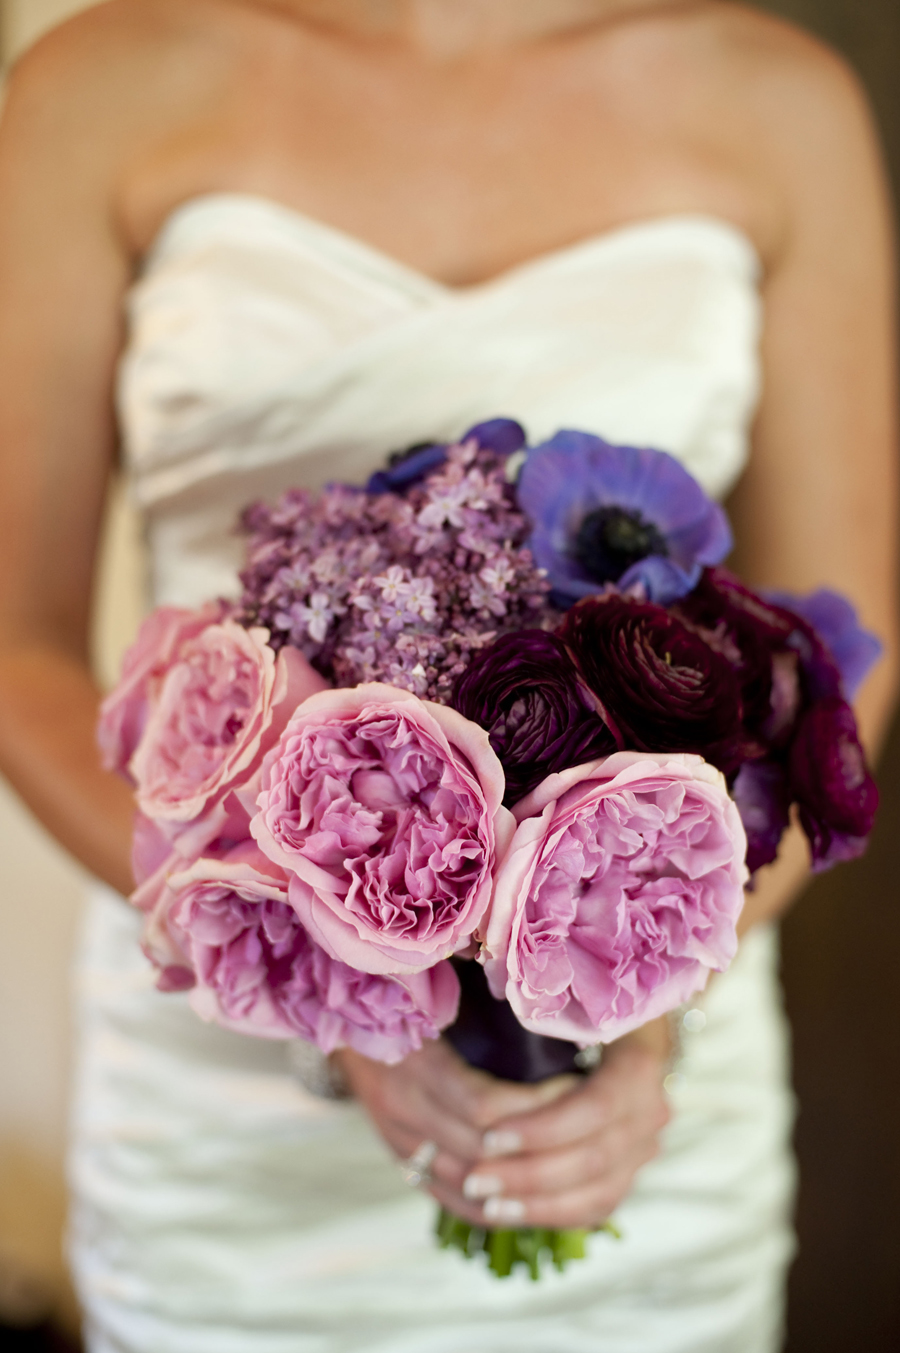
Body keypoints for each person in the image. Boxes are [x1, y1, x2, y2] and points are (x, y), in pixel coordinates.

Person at [0, 1, 896, 1349]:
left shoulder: (780, 104)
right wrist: (329, 975)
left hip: (639, 1102)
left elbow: (837, 658)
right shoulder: (100, 83)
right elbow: (16, 643)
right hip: (231, 1129)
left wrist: (627, 993)